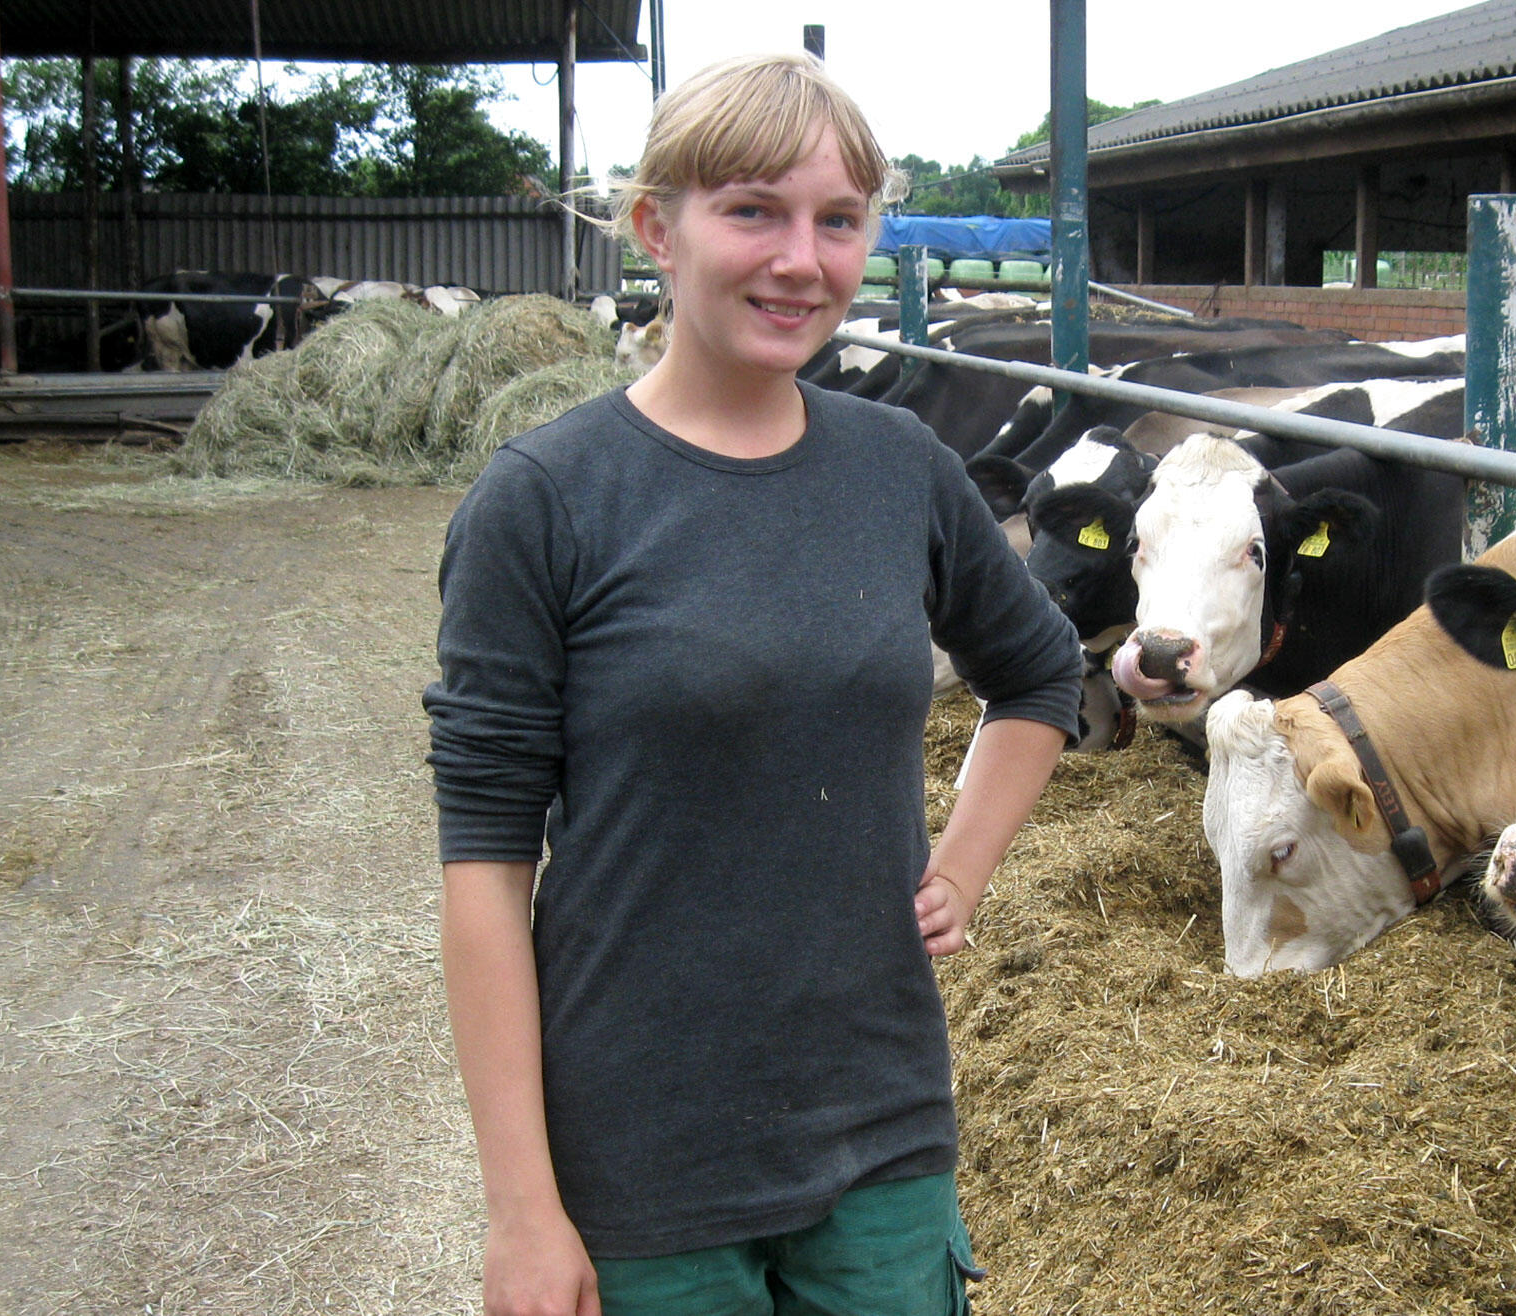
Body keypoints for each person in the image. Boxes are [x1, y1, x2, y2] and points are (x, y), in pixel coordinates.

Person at [425, 52, 1084, 1316]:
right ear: (655, 229)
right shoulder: (548, 498)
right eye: (753, 211)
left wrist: (962, 866)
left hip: (882, 1126)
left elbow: (1041, 671)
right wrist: (523, 1208)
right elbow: (486, 864)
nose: (802, 260)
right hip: (645, 1155)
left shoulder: (903, 468)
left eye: (838, 222)